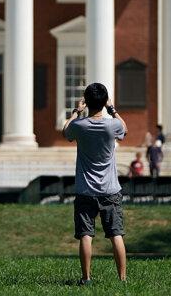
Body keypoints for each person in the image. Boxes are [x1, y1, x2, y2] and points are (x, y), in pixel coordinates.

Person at [63, 82, 128, 286]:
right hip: (110, 189)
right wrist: (112, 108)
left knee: (85, 235)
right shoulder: (112, 125)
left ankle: (86, 278)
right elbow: (124, 129)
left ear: (87, 102)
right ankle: (122, 279)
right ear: (104, 101)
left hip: (85, 189)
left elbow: (65, 131)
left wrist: (76, 112)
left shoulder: (80, 125)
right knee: (116, 234)